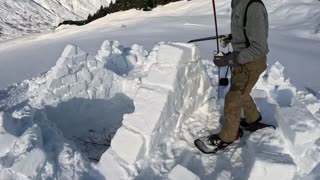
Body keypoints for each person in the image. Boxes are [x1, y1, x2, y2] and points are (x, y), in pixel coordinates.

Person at [211, 0, 269, 149]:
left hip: (252, 63)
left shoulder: (253, 7)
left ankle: (229, 136)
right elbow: (246, 31)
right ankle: (253, 118)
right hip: (242, 61)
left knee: (233, 98)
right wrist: (232, 38)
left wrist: (229, 58)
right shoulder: (237, 2)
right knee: (241, 92)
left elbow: (258, 48)